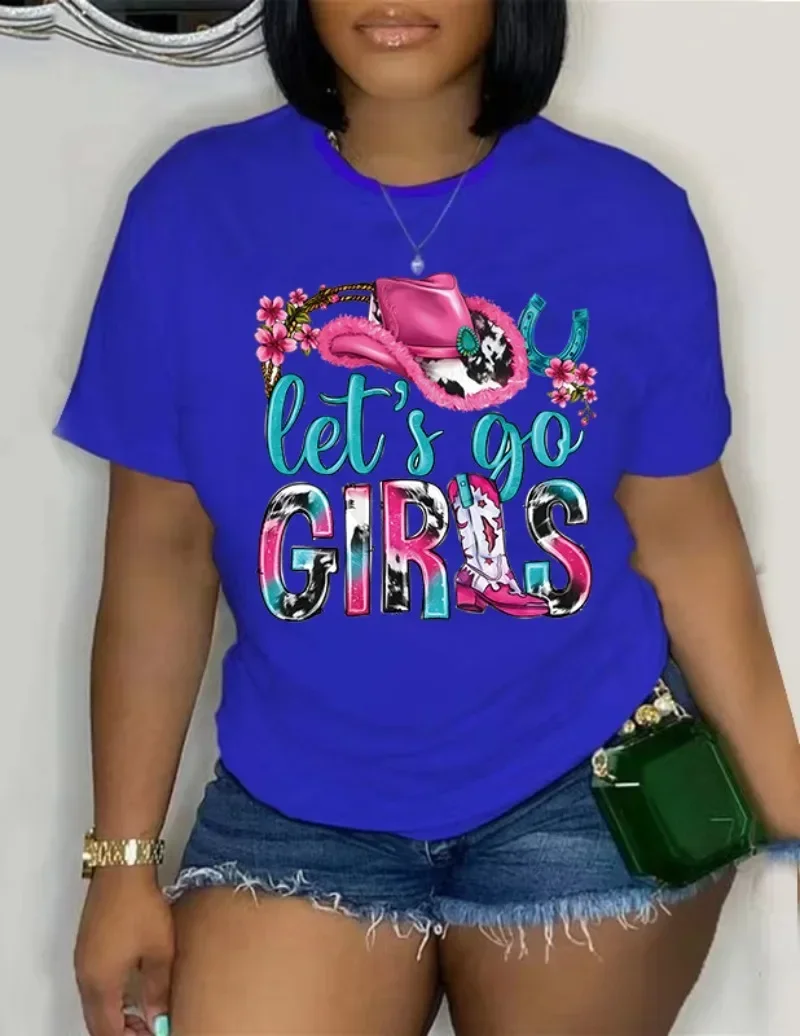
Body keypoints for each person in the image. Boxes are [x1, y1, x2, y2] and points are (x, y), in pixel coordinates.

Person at [59, 2, 800, 1034]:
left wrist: (786, 801)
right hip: (297, 804)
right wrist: (121, 862)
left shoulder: (627, 216)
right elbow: (159, 556)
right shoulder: (192, 211)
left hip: (587, 787)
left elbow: (683, 531)